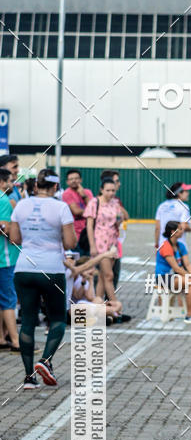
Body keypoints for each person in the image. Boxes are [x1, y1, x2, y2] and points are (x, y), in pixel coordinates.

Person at [9, 168, 76, 389]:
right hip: (51, 269)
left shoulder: (21, 206)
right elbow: (69, 243)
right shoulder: (61, 207)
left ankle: (29, 377)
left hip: (24, 268)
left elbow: (15, 238)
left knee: (28, 320)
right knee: (56, 319)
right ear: (56, 187)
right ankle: (45, 360)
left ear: (36, 185)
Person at [84, 177, 123, 305]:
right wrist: (92, 245)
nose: (111, 193)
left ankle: (98, 303)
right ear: (101, 190)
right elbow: (89, 226)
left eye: (113, 190)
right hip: (100, 242)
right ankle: (115, 304)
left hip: (112, 242)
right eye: (108, 190)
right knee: (109, 276)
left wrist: (119, 220)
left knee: (102, 276)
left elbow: (119, 220)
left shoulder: (115, 203)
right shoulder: (94, 203)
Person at [155, 220, 191, 322]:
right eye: (180, 229)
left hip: (175, 276)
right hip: (163, 277)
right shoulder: (165, 246)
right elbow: (176, 268)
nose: (182, 231)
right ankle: (189, 314)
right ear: (173, 232)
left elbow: (187, 264)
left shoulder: (181, 245)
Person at [64, 249, 122, 321]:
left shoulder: (71, 274)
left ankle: (106, 314)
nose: (72, 261)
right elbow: (86, 265)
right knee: (80, 307)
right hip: (69, 311)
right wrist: (103, 255)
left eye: (73, 258)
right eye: (68, 258)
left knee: (101, 300)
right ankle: (110, 313)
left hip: (78, 308)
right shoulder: (67, 272)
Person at [100, 169, 129, 295]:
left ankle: (110, 309)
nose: (119, 184)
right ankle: (103, 309)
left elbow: (125, 216)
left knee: (114, 275)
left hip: (115, 244)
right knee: (104, 277)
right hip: (102, 245)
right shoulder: (97, 202)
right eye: (116, 181)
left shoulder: (116, 201)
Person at [0, 167, 20, 350]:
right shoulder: (4, 200)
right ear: (3, 182)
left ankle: (1, 338)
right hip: (5, 258)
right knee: (8, 301)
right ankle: (15, 341)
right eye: (10, 181)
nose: (12, 184)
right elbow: (6, 230)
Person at [62, 169, 93, 254]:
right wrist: (89, 212)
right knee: (78, 260)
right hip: (75, 233)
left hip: (88, 233)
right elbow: (76, 211)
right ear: (67, 182)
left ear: (81, 180)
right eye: (71, 179)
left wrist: (84, 196)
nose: (74, 181)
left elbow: (94, 208)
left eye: (76, 178)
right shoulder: (67, 193)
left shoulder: (87, 192)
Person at [154, 183, 191, 249]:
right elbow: (184, 226)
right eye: (186, 191)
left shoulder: (161, 206)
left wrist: (156, 244)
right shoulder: (184, 207)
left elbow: (157, 228)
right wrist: (190, 229)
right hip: (178, 245)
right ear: (179, 193)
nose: (188, 193)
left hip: (163, 245)